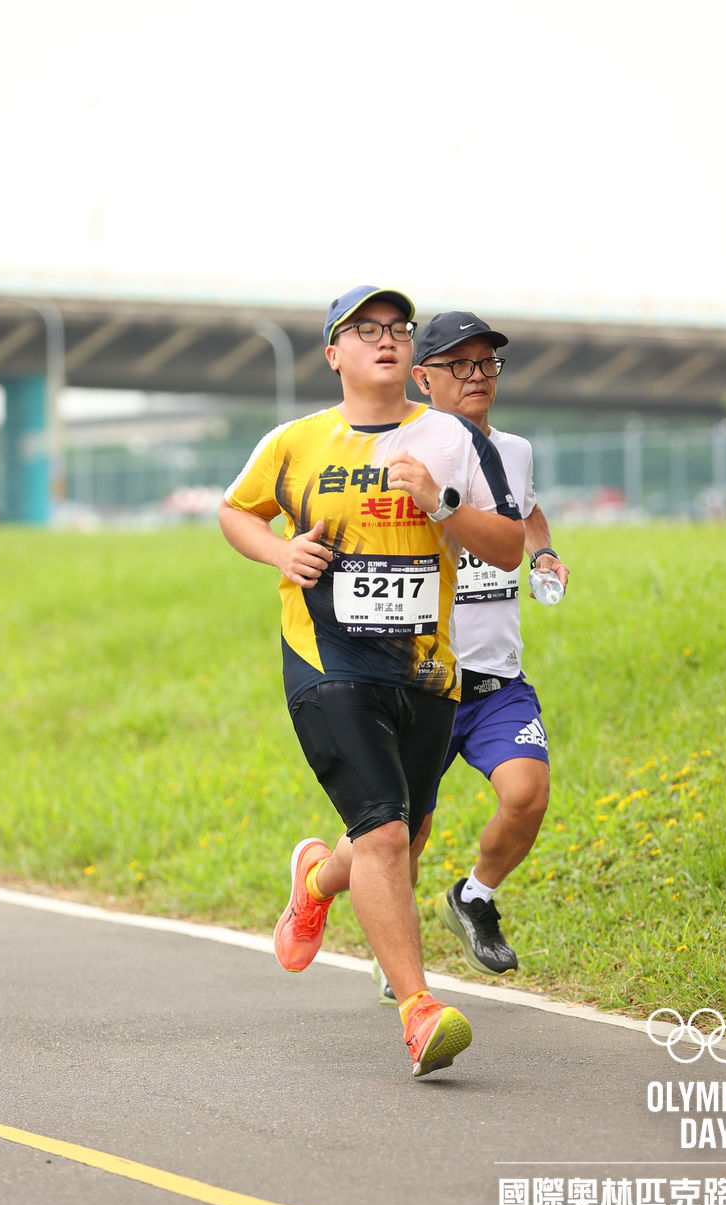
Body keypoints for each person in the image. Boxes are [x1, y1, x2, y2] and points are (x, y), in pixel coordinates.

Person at [218, 286, 525, 1077]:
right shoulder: (295, 442)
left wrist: (439, 501)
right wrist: (281, 552)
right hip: (326, 661)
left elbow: (506, 547)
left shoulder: (455, 439)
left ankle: (316, 880)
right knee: (386, 833)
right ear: (334, 353)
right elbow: (236, 512)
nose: (385, 339)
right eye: (364, 329)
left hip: (425, 670)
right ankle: (419, 1010)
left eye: (396, 328)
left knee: (401, 831)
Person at [368, 310, 566, 1003]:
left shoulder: (514, 451)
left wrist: (541, 551)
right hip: (421, 681)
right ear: (423, 379)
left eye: (486, 363)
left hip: (495, 680)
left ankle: (474, 897)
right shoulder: (399, 453)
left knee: (527, 793)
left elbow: (525, 512)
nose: (477, 376)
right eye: (459, 365)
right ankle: (382, 939)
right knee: (403, 834)